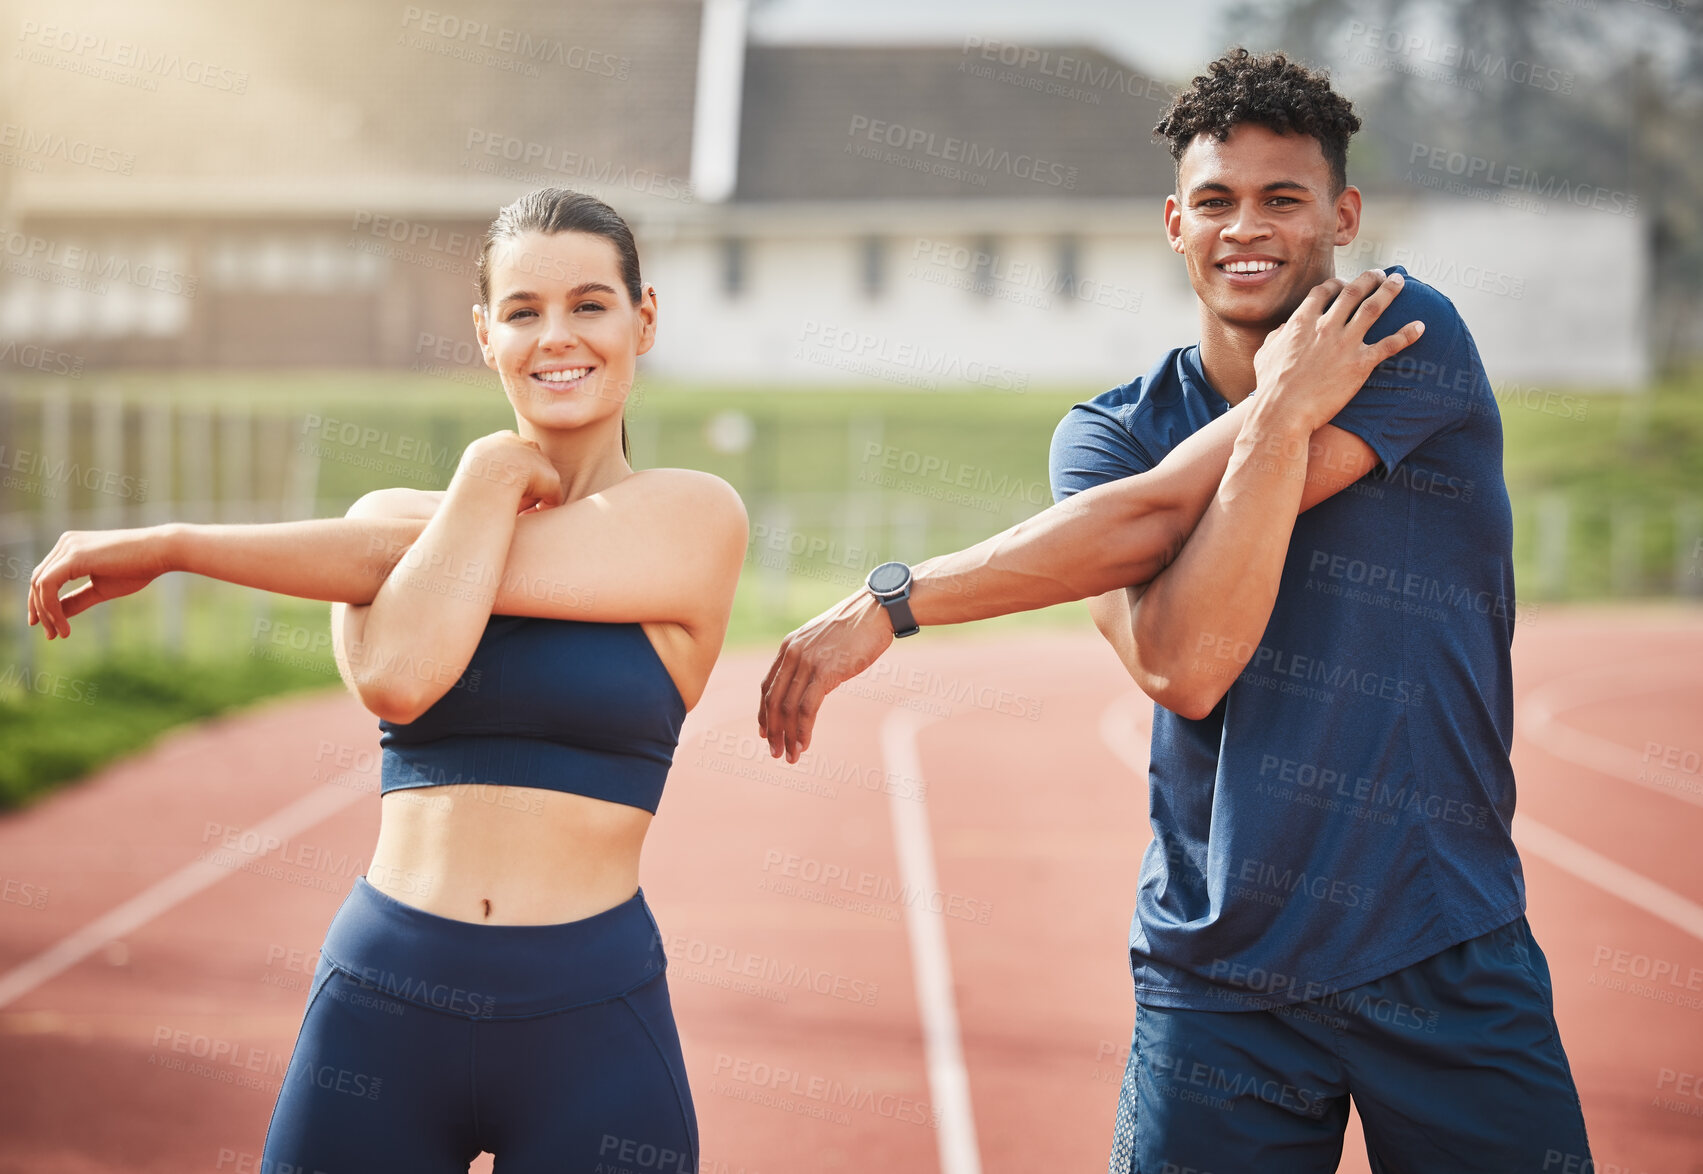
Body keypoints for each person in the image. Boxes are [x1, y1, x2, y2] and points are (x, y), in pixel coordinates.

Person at [758, 49, 1591, 1173]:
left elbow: (1158, 520)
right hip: (1217, 973)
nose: (1244, 227)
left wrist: (896, 602)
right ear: (1172, 222)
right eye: (1215, 200)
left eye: (1281, 198)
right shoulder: (1103, 436)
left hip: (1438, 939)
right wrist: (1284, 411)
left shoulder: (1401, 334)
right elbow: (1182, 664)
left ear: (1340, 213)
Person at [28, 188, 747, 1172]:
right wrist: (487, 478)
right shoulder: (387, 520)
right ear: (483, 334)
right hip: (383, 1006)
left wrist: (198, 544)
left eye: (589, 303)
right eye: (523, 311)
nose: (556, 337)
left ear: (643, 318)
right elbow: (404, 679)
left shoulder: (693, 517)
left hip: (592, 1018)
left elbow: (431, 570)